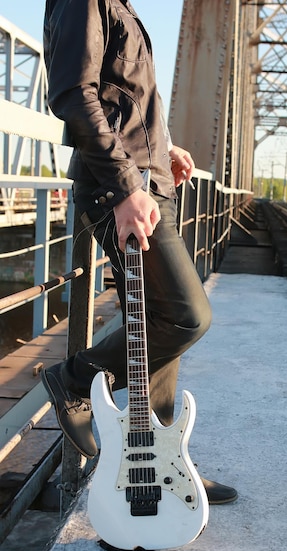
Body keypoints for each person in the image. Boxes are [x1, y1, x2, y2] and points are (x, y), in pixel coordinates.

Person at [41, 0, 237, 505]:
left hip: (147, 185)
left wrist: (161, 147)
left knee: (155, 332)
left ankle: (161, 469)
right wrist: (128, 184)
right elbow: (72, 92)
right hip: (119, 192)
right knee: (186, 317)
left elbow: (121, 99)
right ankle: (73, 378)